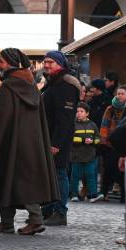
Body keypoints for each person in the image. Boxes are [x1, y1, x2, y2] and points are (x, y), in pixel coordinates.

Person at [0, 48, 58, 235]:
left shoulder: (9, 86)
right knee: (19, 179)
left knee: (8, 177)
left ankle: (31, 219)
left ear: (10, 63)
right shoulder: (31, 85)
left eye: (1, 61)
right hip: (30, 143)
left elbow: (3, 116)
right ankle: (8, 221)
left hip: (9, 141)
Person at [40, 51, 82, 227]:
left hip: (57, 140)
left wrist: (56, 143)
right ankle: (48, 211)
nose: (47, 65)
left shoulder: (66, 84)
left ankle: (60, 212)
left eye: (51, 62)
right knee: (50, 175)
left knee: (59, 173)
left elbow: (65, 117)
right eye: (45, 62)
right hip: (48, 137)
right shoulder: (53, 82)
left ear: (60, 64)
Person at [99, 84, 126, 201]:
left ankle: (124, 196)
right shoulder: (110, 109)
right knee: (109, 167)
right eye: (118, 93)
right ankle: (104, 192)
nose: (120, 96)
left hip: (124, 144)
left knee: (123, 171)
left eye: (122, 93)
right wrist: (103, 141)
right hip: (110, 144)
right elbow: (104, 125)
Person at [69, 102, 103, 203]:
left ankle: (92, 195)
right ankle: (73, 194)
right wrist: (84, 141)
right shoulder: (73, 124)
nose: (78, 113)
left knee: (91, 175)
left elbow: (98, 138)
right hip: (76, 155)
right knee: (75, 176)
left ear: (87, 113)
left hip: (90, 156)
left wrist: (93, 141)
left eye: (81, 111)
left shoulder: (92, 125)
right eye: (77, 111)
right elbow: (71, 138)